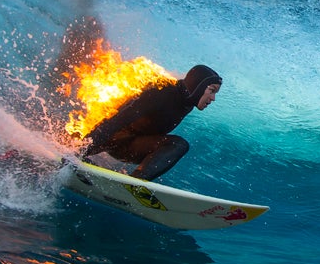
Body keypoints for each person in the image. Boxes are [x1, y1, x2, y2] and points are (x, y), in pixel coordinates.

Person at [81, 64, 222, 180]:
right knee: (76, 150)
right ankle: (73, 152)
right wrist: (80, 149)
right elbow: (117, 120)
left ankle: (133, 185)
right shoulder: (162, 91)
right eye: (211, 90)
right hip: (112, 138)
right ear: (197, 85)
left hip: (131, 146)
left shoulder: (187, 104)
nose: (213, 98)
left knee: (178, 145)